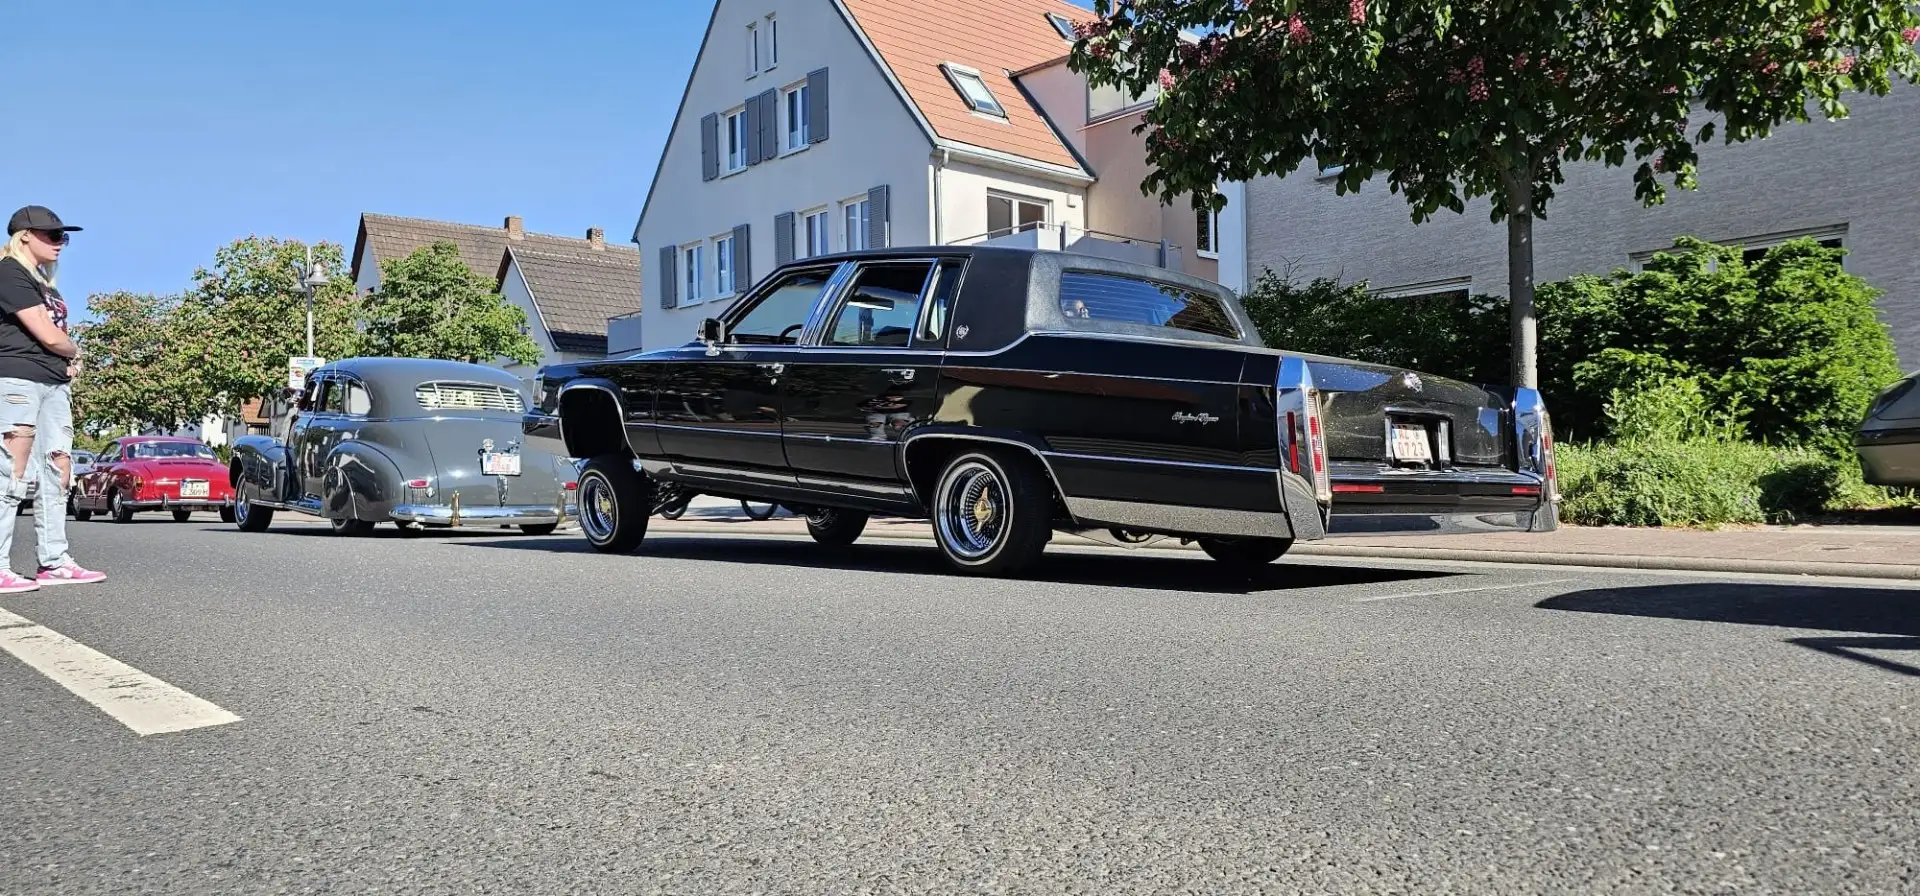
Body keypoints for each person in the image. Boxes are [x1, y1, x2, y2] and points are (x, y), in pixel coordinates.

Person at [0, 205, 105, 591]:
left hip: (53, 384)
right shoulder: (8, 272)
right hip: (17, 381)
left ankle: (54, 561)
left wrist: (67, 361)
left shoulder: (45, 283)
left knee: (58, 471)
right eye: (50, 234)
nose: (59, 242)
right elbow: (48, 335)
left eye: (62, 236)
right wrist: (72, 350)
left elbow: (53, 337)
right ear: (23, 235)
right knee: (11, 472)